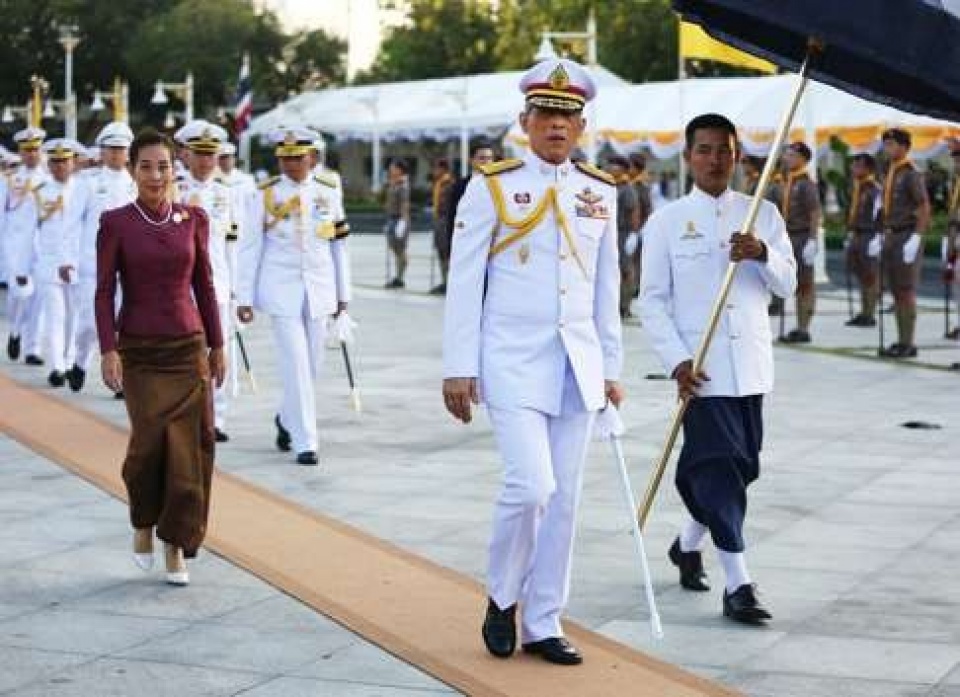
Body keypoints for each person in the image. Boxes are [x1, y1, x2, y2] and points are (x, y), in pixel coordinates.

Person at [442, 58, 623, 665]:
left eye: (567, 117)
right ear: (524, 121)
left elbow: (606, 288)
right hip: (511, 359)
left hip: (577, 363)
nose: (555, 126)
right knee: (532, 486)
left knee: (565, 497)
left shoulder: (600, 190)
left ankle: (543, 619)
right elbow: (465, 281)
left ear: (581, 126)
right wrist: (457, 365)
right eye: (545, 114)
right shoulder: (491, 184)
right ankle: (502, 595)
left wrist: (611, 369)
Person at [640, 113, 796, 625]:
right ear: (688, 157)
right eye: (704, 150)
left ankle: (687, 545)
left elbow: (788, 285)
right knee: (718, 471)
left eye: (724, 150)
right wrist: (677, 361)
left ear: (737, 155)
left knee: (740, 469)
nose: (714, 159)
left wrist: (761, 253)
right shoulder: (664, 222)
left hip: (749, 368)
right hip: (700, 372)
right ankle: (739, 584)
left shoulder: (764, 215)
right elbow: (652, 302)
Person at [95, 128, 225, 586]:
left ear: (176, 169)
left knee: (191, 450)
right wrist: (108, 349)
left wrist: (218, 343)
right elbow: (104, 289)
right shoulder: (115, 222)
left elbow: (204, 285)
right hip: (141, 351)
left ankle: (176, 544)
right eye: (146, 165)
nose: (156, 174)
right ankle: (142, 521)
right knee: (148, 447)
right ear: (131, 170)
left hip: (188, 348)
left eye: (164, 165)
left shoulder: (194, 219)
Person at [236, 127, 351, 466]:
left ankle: (287, 418)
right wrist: (244, 297)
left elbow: (339, 246)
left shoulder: (328, 191)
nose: (291, 164)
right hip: (281, 288)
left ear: (312, 158)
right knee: (296, 362)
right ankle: (306, 441)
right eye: (285, 159)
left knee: (313, 363)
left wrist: (344, 296)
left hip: (319, 286)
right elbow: (250, 247)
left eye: (297, 158)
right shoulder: (264, 194)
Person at [7, 139, 88, 387]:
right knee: (55, 315)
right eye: (55, 161)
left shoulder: (85, 189)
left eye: (64, 161)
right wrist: (21, 268)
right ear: (49, 164)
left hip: (78, 262)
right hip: (49, 263)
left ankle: (70, 358)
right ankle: (57, 367)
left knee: (75, 317)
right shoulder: (39, 191)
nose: (60, 166)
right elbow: (28, 233)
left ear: (73, 163)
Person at [174, 120, 235, 443]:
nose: (205, 161)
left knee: (218, 349)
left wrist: (238, 289)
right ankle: (188, 413)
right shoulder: (174, 189)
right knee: (185, 352)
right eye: (199, 153)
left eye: (211, 154)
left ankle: (218, 416)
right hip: (181, 286)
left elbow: (233, 245)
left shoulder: (227, 193)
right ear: (186, 154)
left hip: (218, 283)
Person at [69, 121, 137, 392]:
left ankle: (120, 380)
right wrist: (68, 259)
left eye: (121, 149)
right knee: (89, 322)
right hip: (92, 262)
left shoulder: (135, 183)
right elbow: (71, 223)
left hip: (128, 264)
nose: (116, 154)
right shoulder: (88, 183)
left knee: (123, 321)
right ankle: (80, 360)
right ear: (102, 151)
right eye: (111, 149)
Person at [878, 128, 931, 358]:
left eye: (891, 144)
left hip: (907, 234)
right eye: (886, 144)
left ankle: (908, 343)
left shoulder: (910, 173)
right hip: (892, 234)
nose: (887, 148)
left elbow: (923, 206)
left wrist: (917, 236)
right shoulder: (891, 171)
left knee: (906, 291)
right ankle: (900, 340)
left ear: (904, 146)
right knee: (897, 290)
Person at [3, 127, 49, 365]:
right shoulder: (10, 179)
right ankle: (15, 330)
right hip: (16, 248)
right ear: (20, 152)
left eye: (35, 150)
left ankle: (33, 348)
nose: (32, 154)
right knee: (19, 295)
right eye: (27, 150)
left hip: (43, 247)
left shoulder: (50, 178)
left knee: (40, 296)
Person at [777, 142, 821, 344]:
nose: (787, 158)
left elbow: (814, 212)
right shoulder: (789, 181)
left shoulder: (805, 183)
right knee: (792, 283)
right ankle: (798, 326)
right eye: (787, 155)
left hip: (802, 236)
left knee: (805, 284)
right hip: (788, 237)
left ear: (803, 159)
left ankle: (804, 328)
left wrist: (813, 240)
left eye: (792, 155)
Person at [844, 154, 882, 327]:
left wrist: (879, 236)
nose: (854, 169)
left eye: (858, 166)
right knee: (860, 275)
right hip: (857, 234)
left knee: (870, 276)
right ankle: (863, 311)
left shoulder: (875, 189)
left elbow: (880, 214)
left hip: (869, 234)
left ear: (868, 169)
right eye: (854, 165)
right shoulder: (857, 188)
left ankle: (870, 313)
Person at [441, 141, 495, 246]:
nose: (487, 162)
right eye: (482, 158)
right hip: (468, 241)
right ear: (471, 160)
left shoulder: (501, 185)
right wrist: (451, 247)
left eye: (489, 158)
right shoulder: (460, 186)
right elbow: (452, 217)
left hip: (492, 242)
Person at [605, 155, 640, 318]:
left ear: (623, 169)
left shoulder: (627, 189)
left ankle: (624, 306)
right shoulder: (607, 185)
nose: (611, 167)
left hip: (623, 233)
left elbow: (634, 212)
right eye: (610, 164)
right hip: (608, 232)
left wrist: (633, 234)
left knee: (625, 271)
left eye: (616, 165)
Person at [429, 158, 455, 295]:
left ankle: (448, 283)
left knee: (446, 252)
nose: (434, 171)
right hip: (439, 219)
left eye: (436, 168)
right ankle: (444, 281)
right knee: (440, 251)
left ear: (443, 169)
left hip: (446, 220)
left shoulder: (449, 183)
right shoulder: (439, 183)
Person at [383, 159, 410, 289]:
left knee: (400, 249)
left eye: (393, 167)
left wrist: (403, 222)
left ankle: (400, 277)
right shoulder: (392, 183)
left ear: (400, 170)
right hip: (392, 219)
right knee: (394, 247)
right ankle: (398, 275)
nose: (390, 169)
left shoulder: (403, 184)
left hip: (399, 219)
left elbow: (405, 203)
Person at [945, 142, 960, 341]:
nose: (957, 164)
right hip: (956, 237)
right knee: (957, 286)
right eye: (956, 160)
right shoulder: (956, 183)